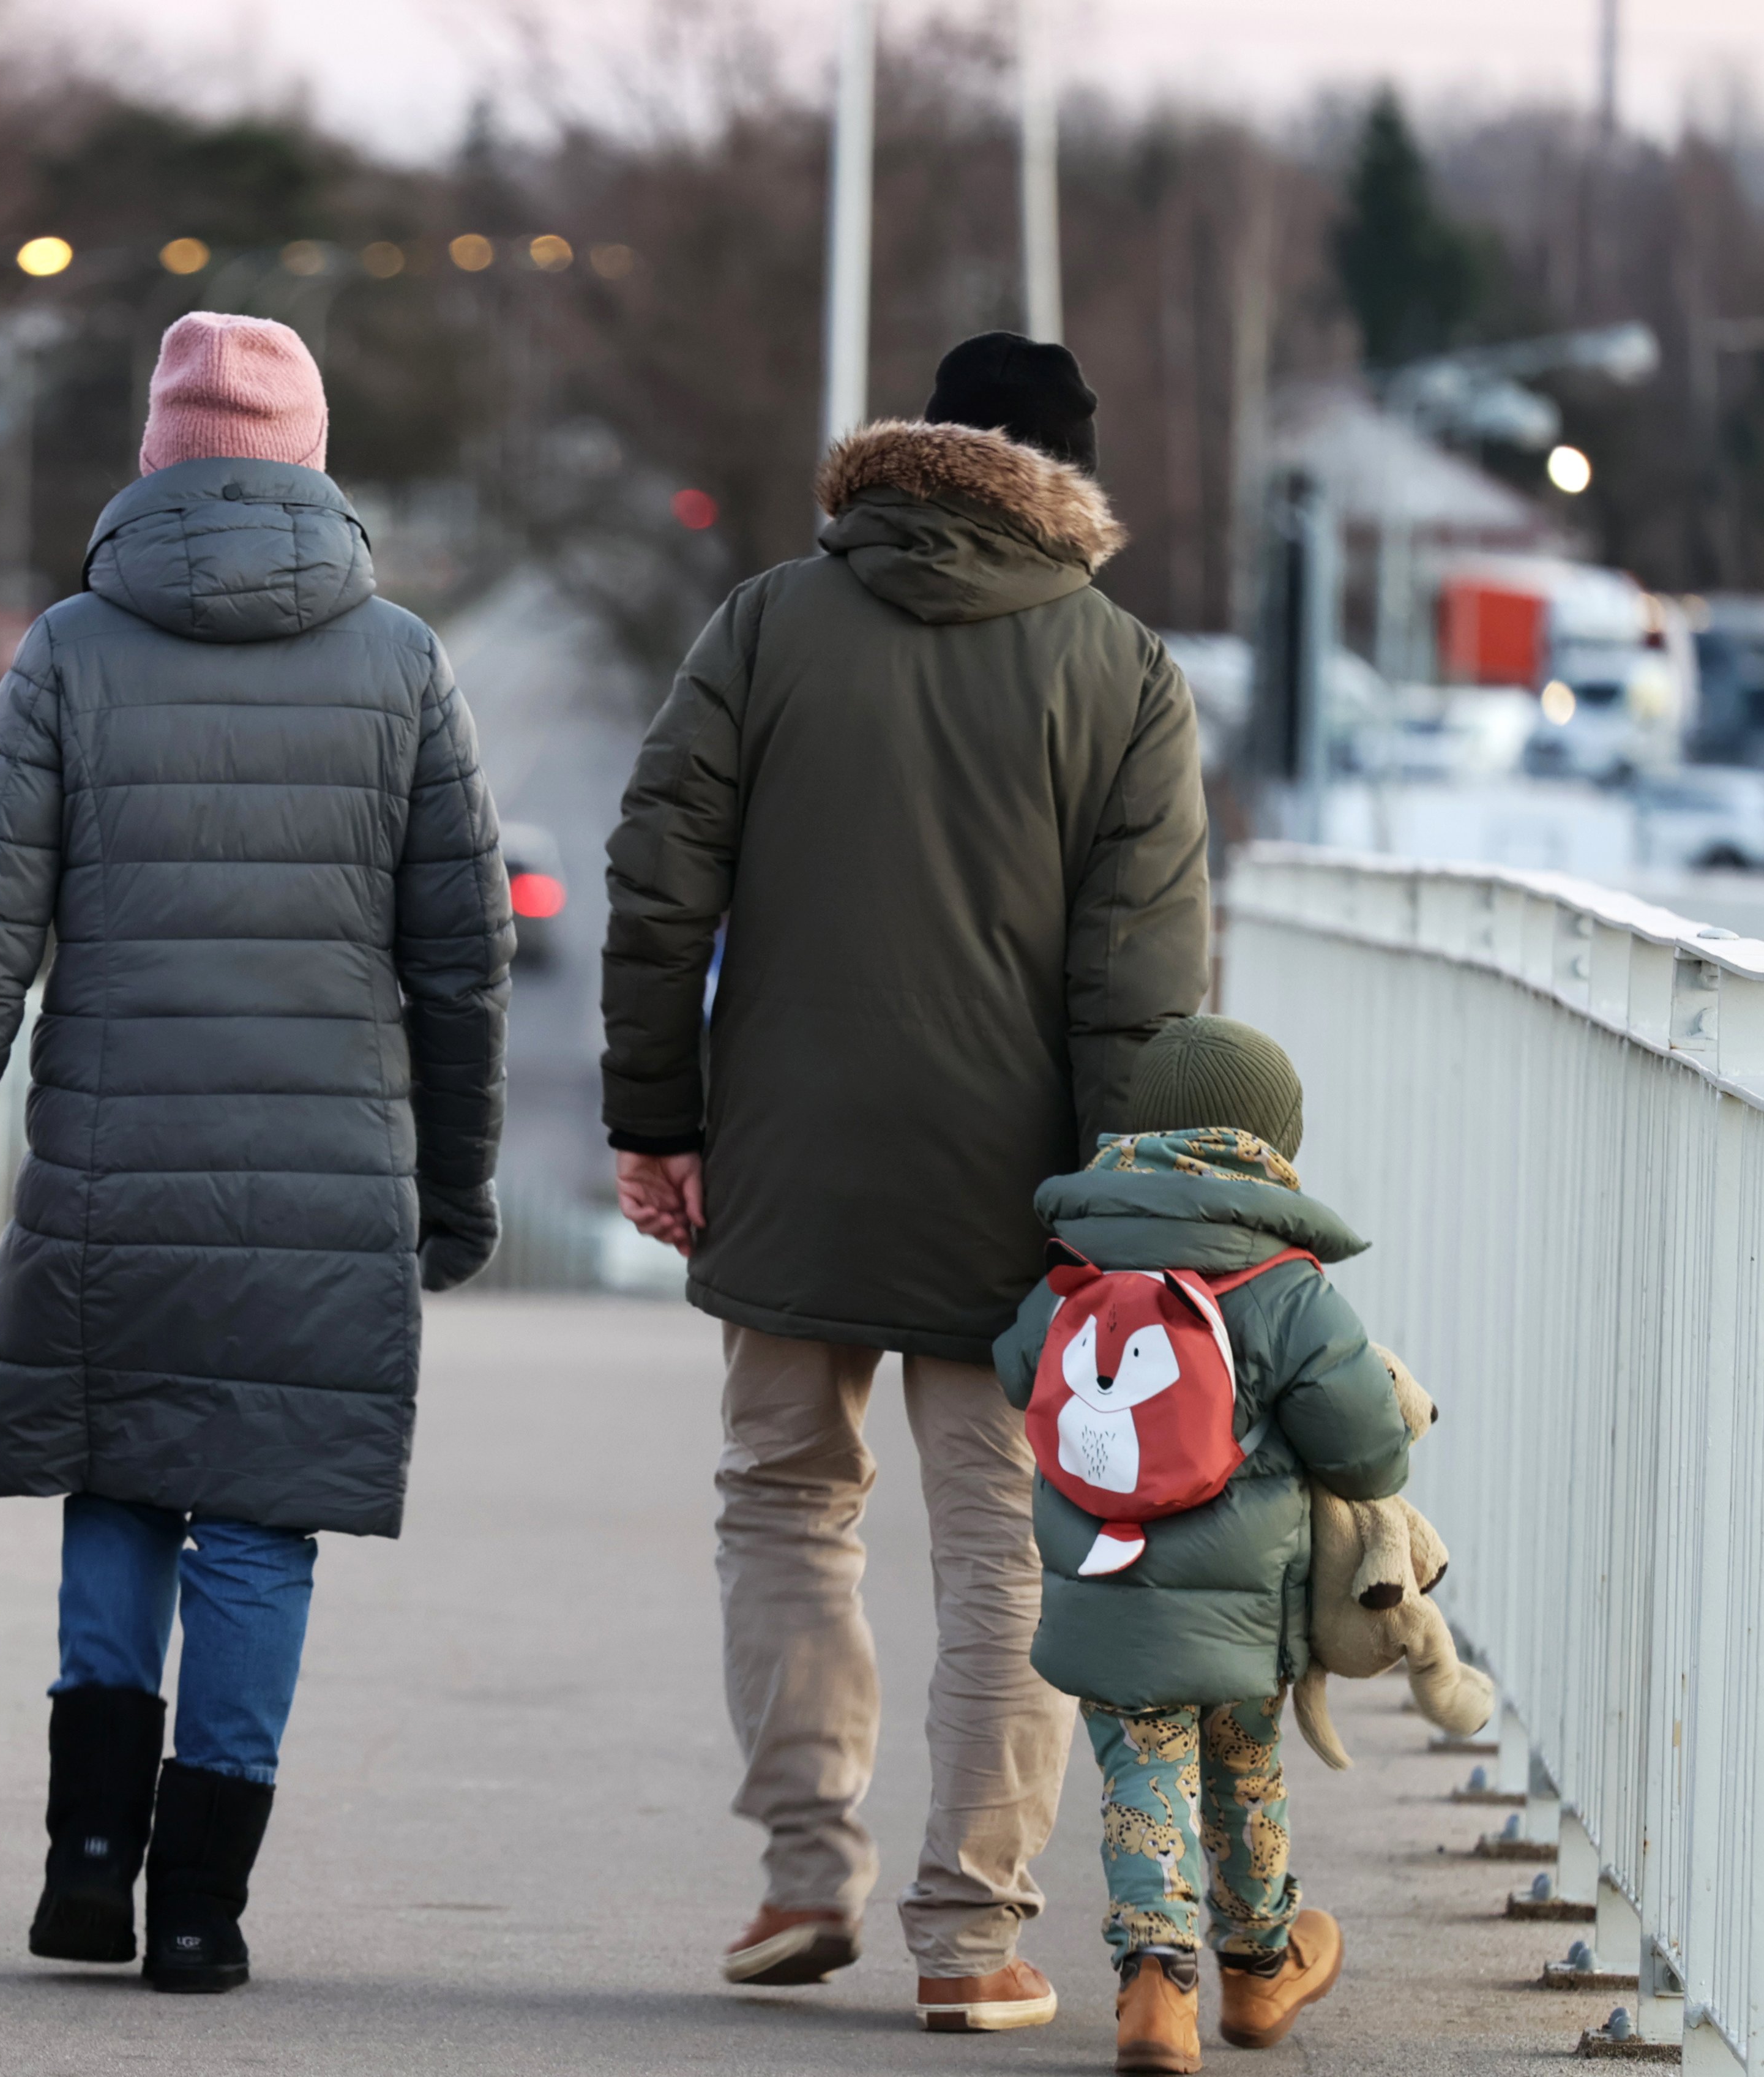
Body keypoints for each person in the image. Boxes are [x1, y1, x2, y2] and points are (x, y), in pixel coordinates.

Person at [0, 311, 512, 1994]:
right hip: (325, 1182)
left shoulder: (69, 649)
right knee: (258, 1527)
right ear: (312, 460)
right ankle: (203, 1908)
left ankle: (88, 1860)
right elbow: (462, 960)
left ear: (156, 459)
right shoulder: (402, 662)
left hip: (114, 1162)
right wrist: (454, 1190)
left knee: (124, 1478)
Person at [598, 331, 1211, 2030]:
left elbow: (660, 882)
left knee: (784, 1498)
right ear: (1071, 481)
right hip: (1016, 1193)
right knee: (1012, 1550)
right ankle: (970, 1932)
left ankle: (805, 1871)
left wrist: (659, 1115)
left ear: (916, 450)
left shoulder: (769, 623)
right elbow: (1142, 987)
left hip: (788, 1152)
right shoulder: (1124, 670)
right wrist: (1124, 1215)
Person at [994, 1016, 1405, 2072]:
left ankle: (1154, 1982)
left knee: (1142, 1767)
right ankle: (1260, 1966)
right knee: (1244, 1765)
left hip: (1106, 1579)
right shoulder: (1284, 1279)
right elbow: (1367, 1448)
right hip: (1242, 1601)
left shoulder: (1076, 1262)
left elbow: (1016, 1369)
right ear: (1273, 1141)